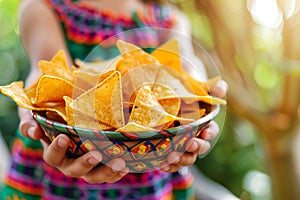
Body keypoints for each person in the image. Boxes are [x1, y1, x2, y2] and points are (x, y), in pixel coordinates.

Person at [1, 0, 227, 199]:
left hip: (152, 174)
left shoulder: (169, 21)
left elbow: (186, 68)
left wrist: (203, 97)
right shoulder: (43, 7)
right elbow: (47, 71)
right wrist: (34, 114)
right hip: (55, 172)